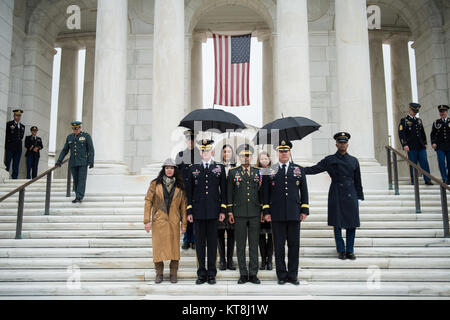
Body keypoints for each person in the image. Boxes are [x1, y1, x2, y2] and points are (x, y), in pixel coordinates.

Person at [304, 132, 364, 260]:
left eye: (344, 142)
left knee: (351, 224)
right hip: (336, 192)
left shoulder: (354, 160)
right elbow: (313, 169)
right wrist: (297, 169)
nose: (342, 144)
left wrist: (360, 197)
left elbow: (358, 180)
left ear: (347, 144)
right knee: (336, 223)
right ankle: (341, 250)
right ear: (336, 144)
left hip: (350, 193)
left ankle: (350, 250)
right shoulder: (330, 159)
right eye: (340, 142)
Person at [262, 140, 309, 285]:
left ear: (289, 153)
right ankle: (281, 275)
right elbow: (265, 193)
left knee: (294, 246)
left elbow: (304, 191)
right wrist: (266, 211)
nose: (283, 154)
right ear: (277, 153)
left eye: (286, 151)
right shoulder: (270, 170)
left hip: (294, 214)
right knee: (279, 246)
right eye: (281, 151)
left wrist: (304, 209)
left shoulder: (298, 169)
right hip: (277, 215)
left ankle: (293, 275)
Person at [186, 139, 227, 285]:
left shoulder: (219, 169)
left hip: (213, 212)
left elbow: (224, 191)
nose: (205, 153)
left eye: (207, 150)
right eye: (202, 151)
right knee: (200, 244)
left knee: (211, 243)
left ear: (212, 152)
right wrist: (189, 211)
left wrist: (223, 209)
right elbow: (189, 192)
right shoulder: (193, 169)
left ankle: (211, 273)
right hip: (197, 213)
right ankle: (201, 273)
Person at [144, 158, 187, 284]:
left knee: (174, 248)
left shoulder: (180, 186)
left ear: (175, 170)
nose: (169, 170)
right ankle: (159, 273)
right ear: (163, 169)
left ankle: (173, 273)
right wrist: (147, 220)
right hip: (159, 221)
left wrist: (184, 223)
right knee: (158, 247)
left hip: (173, 221)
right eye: (167, 168)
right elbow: (148, 201)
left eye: (172, 168)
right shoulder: (154, 184)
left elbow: (183, 206)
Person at [227, 144, 261, 284]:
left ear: (251, 157)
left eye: (247, 155)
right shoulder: (233, 172)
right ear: (239, 157)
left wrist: (264, 210)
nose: (245, 158)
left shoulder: (258, 172)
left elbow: (262, 193)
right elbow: (229, 193)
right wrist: (230, 211)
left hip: (254, 212)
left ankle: (253, 273)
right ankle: (243, 273)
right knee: (240, 245)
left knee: (254, 244)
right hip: (239, 212)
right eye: (242, 155)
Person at [55, 121, 95, 203]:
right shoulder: (69, 137)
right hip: (73, 162)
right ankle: (78, 195)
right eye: (74, 129)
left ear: (80, 128)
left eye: (77, 128)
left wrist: (91, 161)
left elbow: (91, 150)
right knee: (76, 180)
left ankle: (79, 197)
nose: (75, 130)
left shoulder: (86, 136)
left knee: (81, 179)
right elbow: (65, 150)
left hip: (83, 162)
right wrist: (59, 160)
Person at [176, 130, 201, 250]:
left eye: (193, 139)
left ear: (195, 140)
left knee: (195, 215)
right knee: (185, 215)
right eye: (188, 139)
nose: (191, 141)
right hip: (184, 191)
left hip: (197, 191)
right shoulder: (180, 155)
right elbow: (177, 173)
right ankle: (187, 239)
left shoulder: (200, 155)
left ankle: (195, 239)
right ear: (186, 141)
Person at [398, 102, 433, 185]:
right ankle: (414, 180)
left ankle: (427, 179)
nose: (415, 113)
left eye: (416, 112)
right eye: (413, 111)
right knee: (412, 164)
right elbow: (401, 134)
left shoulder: (419, 121)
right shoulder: (404, 120)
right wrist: (404, 144)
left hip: (420, 146)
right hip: (410, 146)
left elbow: (422, 132)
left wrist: (425, 142)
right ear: (410, 110)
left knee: (424, 162)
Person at [217, 144, 236, 271]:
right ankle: (222, 260)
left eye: (229, 152)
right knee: (219, 234)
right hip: (220, 205)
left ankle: (230, 260)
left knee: (231, 235)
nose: (227, 154)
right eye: (225, 152)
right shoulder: (217, 168)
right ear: (222, 154)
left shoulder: (237, 168)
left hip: (233, 206)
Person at [257, 151, 273, 271]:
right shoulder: (255, 172)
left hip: (271, 209)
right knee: (261, 237)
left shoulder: (274, 171)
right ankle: (263, 260)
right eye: (261, 159)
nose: (264, 160)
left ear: (269, 159)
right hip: (258, 208)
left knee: (271, 236)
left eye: (266, 158)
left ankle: (269, 260)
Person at [431, 105, 450, 184]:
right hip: (440, 146)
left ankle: (449, 179)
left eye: (443, 111)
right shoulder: (436, 123)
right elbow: (433, 134)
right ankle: (444, 178)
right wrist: (433, 142)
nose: (442, 113)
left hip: (449, 146)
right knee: (441, 162)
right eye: (440, 111)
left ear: (447, 112)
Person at [5, 109, 25, 179]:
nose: (18, 117)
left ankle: (14, 177)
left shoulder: (22, 126)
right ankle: (5, 176)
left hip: (18, 148)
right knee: (7, 162)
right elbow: (7, 135)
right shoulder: (9, 124)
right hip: (10, 147)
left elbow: (21, 137)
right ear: (14, 116)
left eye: (19, 116)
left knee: (16, 164)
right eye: (17, 115)